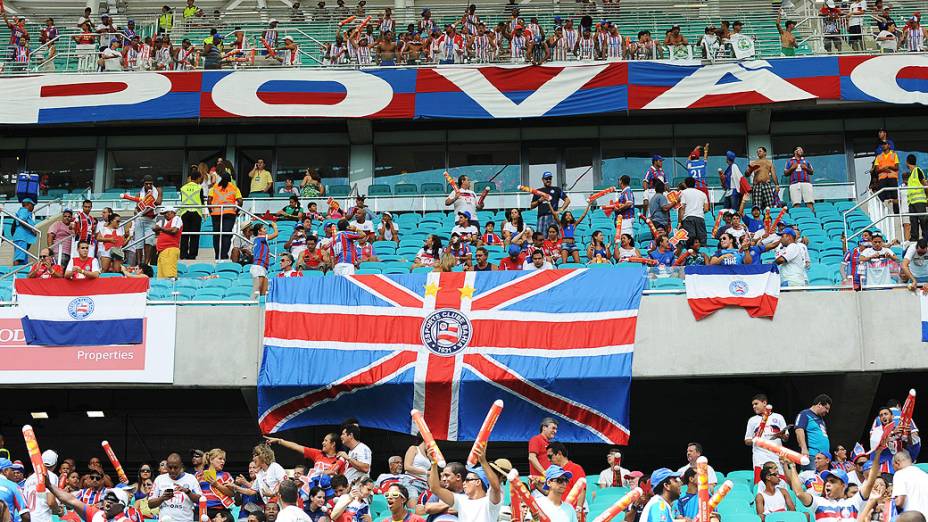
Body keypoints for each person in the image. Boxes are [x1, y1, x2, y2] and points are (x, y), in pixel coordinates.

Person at [785, 437, 881, 521]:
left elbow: (870, 481)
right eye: (827, 481)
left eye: (832, 481)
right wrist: (792, 466)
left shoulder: (854, 501)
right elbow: (799, 493)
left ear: (843, 485)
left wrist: (878, 453)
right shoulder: (818, 502)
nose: (827, 484)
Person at [426, 445, 501, 522]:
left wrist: (483, 461)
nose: (464, 483)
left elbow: (496, 488)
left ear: (478, 482)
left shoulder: (489, 502)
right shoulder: (461, 499)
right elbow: (435, 488)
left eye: (468, 480)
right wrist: (433, 463)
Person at [744, 394, 789, 483]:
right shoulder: (752, 420)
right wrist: (755, 439)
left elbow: (786, 438)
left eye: (756, 404)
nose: (754, 406)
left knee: (780, 484)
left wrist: (782, 435)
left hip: (777, 457)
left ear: (764, 403)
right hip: (760, 457)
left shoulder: (778, 417)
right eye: (753, 405)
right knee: (760, 484)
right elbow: (747, 440)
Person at [149, 453, 202, 522]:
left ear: (181, 466)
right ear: (167, 466)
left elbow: (201, 500)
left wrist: (188, 492)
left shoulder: (191, 478)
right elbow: (150, 504)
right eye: (170, 467)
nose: (172, 470)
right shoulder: (159, 479)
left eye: (175, 467)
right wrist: (162, 498)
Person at [208, 173, 242, 261]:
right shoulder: (234, 187)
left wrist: (211, 211)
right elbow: (240, 201)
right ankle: (224, 255)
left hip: (216, 214)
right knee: (226, 235)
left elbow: (209, 200)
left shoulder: (214, 187)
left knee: (217, 235)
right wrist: (236, 211)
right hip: (229, 214)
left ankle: (217, 255)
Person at [795, 394, 832, 470]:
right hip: (812, 456)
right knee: (812, 479)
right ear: (819, 404)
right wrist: (804, 448)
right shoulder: (804, 414)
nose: (827, 411)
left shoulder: (821, 420)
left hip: (823, 458)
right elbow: (799, 430)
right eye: (826, 408)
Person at [530, 172, 570, 238]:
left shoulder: (557, 189)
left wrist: (560, 210)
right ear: (542, 179)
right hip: (542, 216)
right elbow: (532, 206)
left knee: (555, 238)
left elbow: (567, 200)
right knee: (541, 237)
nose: (548, 180)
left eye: (550, 178)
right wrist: (540, 200)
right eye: (546, 179)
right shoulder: (538, 191)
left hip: (553, 216)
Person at [179, 168, 205, 260]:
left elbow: (182, 200)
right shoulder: (199, 188)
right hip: (196, 213)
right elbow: (202, 202)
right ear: (198, 178)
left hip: (184, 213)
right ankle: (192, 255)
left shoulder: (183, 188)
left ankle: (183, 254)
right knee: (194, 235)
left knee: (184, 234)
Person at [892, 450, 928, 514]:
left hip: (912, 516)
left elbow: (899, 501)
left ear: (897, 462)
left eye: (893, 466)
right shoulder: (924, 474)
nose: (894, 470)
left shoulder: (899, 474)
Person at [678, 177, 709, 249]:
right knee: (702, 239)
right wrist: (698, 211)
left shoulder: (683, 193)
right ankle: (704, 254)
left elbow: (682, 207)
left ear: (685, 184)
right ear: (695, 184)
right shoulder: (702, 193)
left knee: (690, 240)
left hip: (688, 218)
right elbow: (706, 209)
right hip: (700, 217)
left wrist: (680, 222)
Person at [251, 221, 280, 296]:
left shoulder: (258, 240)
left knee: (264, 292)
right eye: (264, 229)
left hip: (263, 266)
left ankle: (262, 307)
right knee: (257, 290)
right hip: (259, 265)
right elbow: (276, 234)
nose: (266, 230)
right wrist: (274, 226)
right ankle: (252, 305)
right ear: (259, 231)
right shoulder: (260, 238)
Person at [154, 206, 183, 279]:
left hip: (169, 250)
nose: (164, 215)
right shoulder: (167, 224)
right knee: (161, 277)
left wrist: (160, 229)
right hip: (163, 251)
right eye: (164, 214)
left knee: (170, 276)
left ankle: (172, 289)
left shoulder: (176, 218)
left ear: (172, 212)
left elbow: (174, 230)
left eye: (166, 213)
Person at [12, 199, 36, 266]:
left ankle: (20, 272)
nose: (33, 207)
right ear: (28, 205)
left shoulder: (27, 212)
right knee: (19, 257)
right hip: (21, 236)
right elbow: (21, 220)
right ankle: (15, 271)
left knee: (23, 258)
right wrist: (31, 229)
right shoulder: (24, 210)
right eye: (32, 205)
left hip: (23, 237)